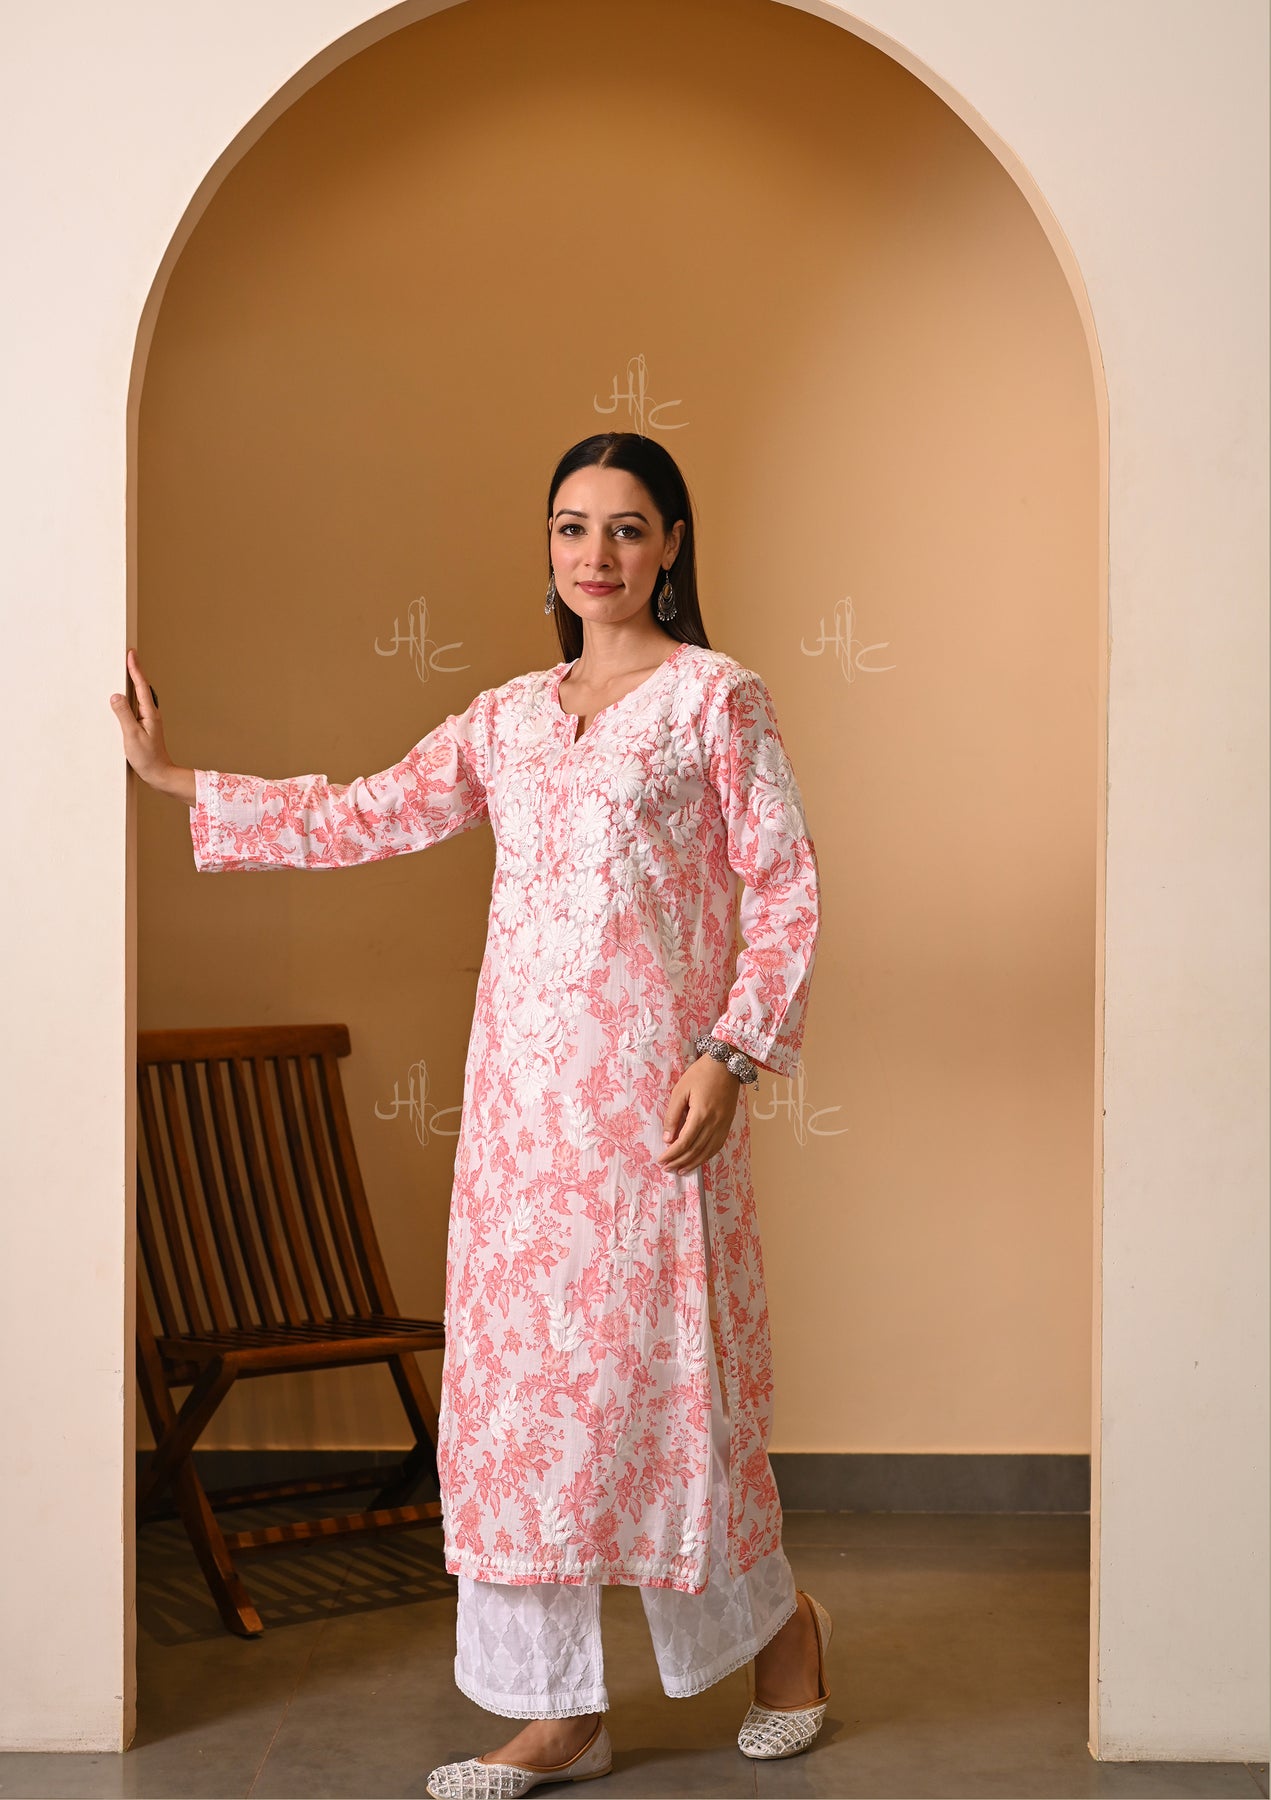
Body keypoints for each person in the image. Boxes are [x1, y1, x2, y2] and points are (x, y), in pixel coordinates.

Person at [111, 431, 832, 1798]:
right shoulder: (507, 719)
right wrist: (175, 778)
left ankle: (781, 1633)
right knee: (520, 1411)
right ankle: (551, 1712)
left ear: (672, 546)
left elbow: (785, 887)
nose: (596, 554)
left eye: (626, 528)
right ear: (547, 548)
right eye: (571, 527)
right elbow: (363, 813)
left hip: (655, 1114)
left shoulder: (714, 701)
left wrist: (730, 1056)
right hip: (518, 1127)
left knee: (672, 1394)